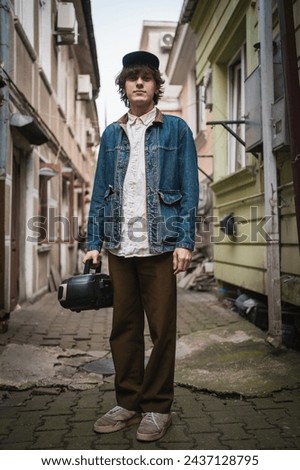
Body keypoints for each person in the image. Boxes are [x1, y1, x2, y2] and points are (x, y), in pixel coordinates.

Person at [83, 50, 199, 442]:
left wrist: (185, 240)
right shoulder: (112, 134)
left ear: (155, 86)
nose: (138, 84)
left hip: (161, 245)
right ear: (124, 86)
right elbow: (101, 192)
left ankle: (157, 407)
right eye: (132, 78)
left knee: (162, 329)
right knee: (123, 328)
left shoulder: (176, 130)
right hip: (119, 246)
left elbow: (188, 187)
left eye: (145, 78)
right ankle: (129, 403)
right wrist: (92, 242)